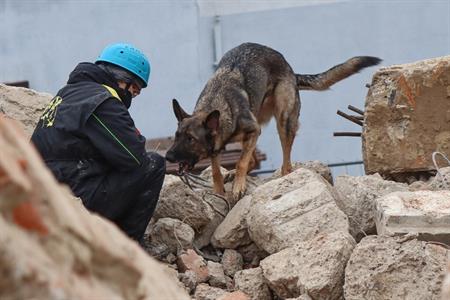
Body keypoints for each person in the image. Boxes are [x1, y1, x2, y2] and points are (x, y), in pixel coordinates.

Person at [31, 43, 165, 243]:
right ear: (123, 78)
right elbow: (133, 156)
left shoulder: (67, 93)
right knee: (153, 164)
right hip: (74, 196)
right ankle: (127, 248)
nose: (134, 95)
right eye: (135, 88)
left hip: (42, 193)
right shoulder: (103, 101)